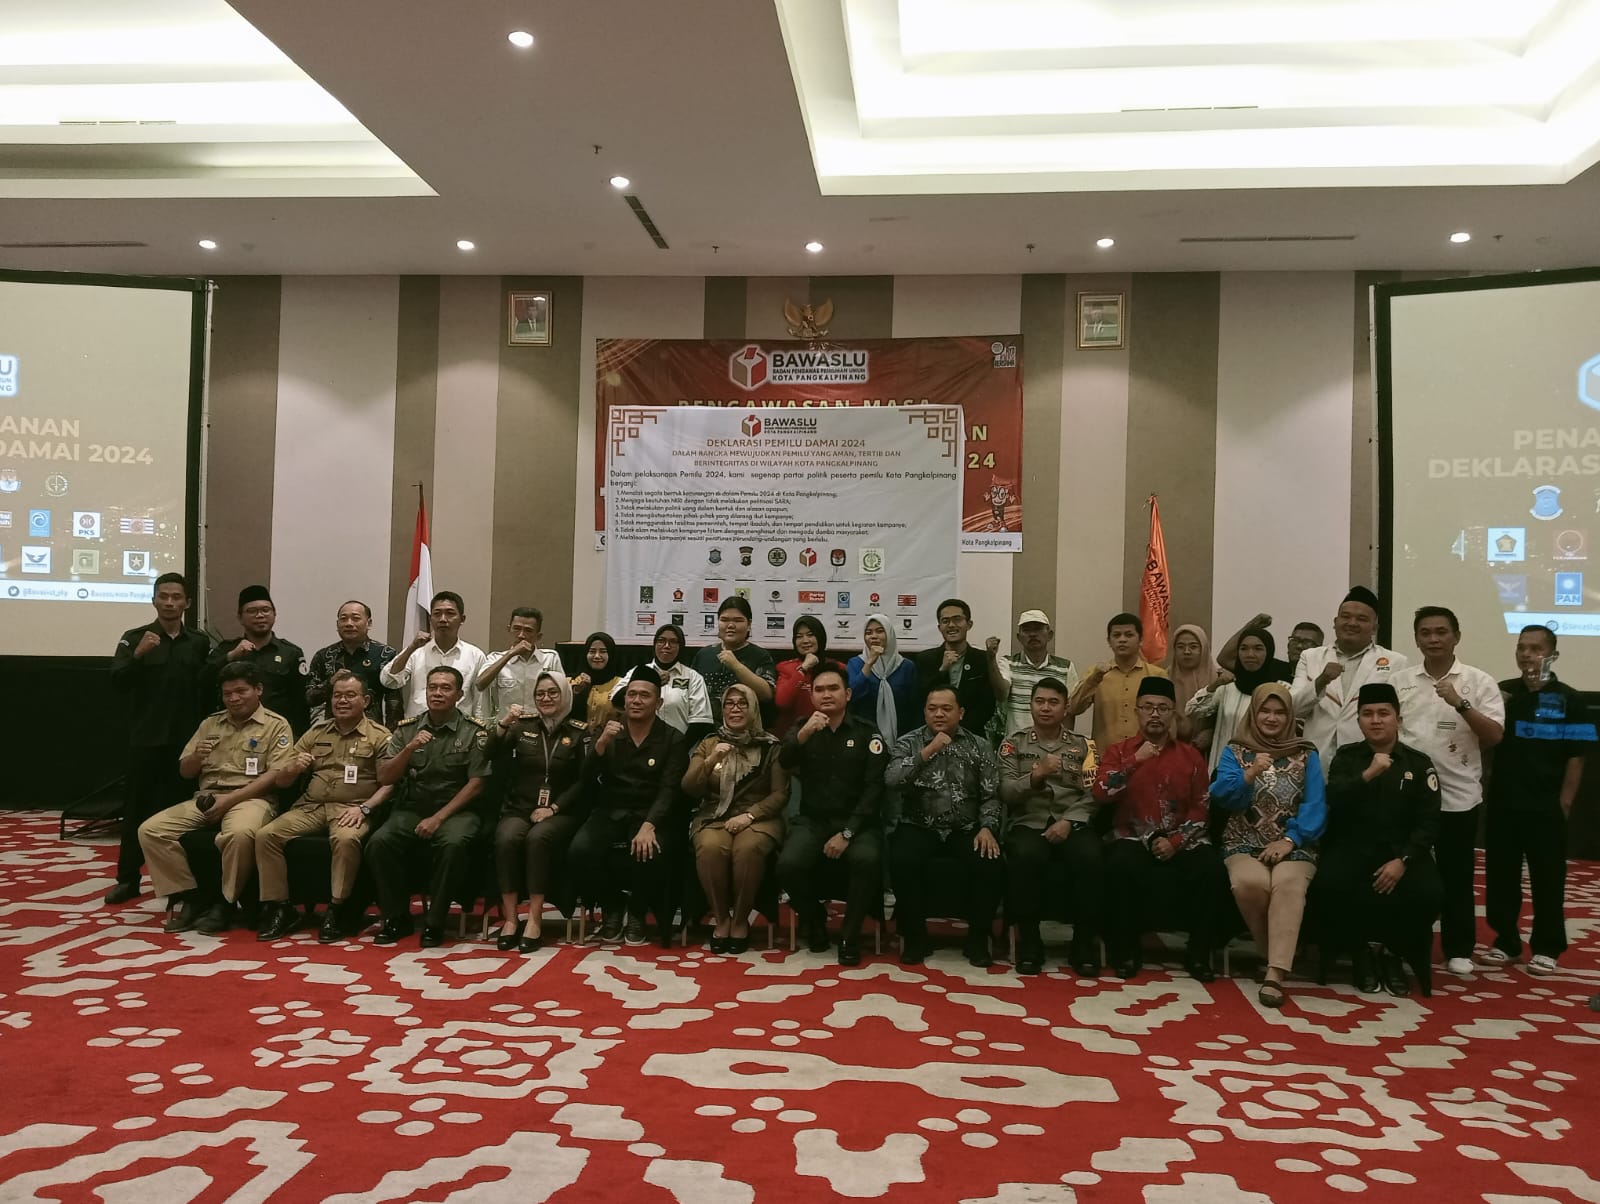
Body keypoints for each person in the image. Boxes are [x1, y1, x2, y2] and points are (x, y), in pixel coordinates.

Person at [137, 663, 295, 934]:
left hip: (251, 798)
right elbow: (186, 771)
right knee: (151, 830)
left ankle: (226, 901)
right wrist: (196, 757)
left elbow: (275, 775)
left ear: (258, 690)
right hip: (206, 797)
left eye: (241, 691)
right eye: (227, 693)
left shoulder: (276, 725)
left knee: (240, 834)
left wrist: (229, 801)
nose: (234, 698)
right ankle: (191, 897)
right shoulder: (210, 723)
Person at [1394, 606, 1504, 977]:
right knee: (1407, 872)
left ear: (1456, 636)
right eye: (1425, 633)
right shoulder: (1401, 681)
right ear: (1416, 639)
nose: (1434, 639)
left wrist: (1460, 703)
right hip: (1409, 798)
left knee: (1456, 875)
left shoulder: (1479, 681)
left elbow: (1494, 735)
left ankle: (1459, 948)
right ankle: (1405, 944)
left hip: (1457, 795)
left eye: (1441, 632)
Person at [1315, 681, 1442, 996]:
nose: (1375, 720)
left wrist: (1403, 861)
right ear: (1358, 720)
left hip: (1402, 852)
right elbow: (1333, 798)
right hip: (1353, 848)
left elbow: (1429, 821)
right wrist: (1368, 774)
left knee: (1429, 893)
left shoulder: (1418, 763)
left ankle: (1393, 954)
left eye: (1383, 713)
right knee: (1329, 885)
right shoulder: (1347, 757)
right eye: (1367, 714)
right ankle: (1359, 951)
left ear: (1398, 718)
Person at [1480, 624, 1594, 976]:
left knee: (1548, 878)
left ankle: (1547, 947)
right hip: (1504, 802)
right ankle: (1506, 942)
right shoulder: (1503, 693)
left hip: (1546, 805)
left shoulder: (1570, 699)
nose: (1527, 654)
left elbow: (1577, 756)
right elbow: (1486, 742)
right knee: (1501, 876)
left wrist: (1565, 803)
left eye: (1535, 648)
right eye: (1521, 647)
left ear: (1552, 655)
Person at [1092, 677, 1221, 981]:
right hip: (1132, 835)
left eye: (1163, 708)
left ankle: (1199, 955)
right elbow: (1100, 793)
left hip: (1181, 837)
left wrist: (1176, 841)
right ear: (1136, 711)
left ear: (1173, 713)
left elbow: (1202, 806)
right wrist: (1135, 761)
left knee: (1212, 869)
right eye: (1148, 707)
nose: (1154, 714)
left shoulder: (1191, 756)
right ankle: (1125, 953)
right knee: (1120, 866)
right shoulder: (1119, 751)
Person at [1210, 683, 1326, 1008]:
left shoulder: (1306, 753)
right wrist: (1249, 775)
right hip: (1243, 841)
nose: (1272, 718)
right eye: (1265, 711)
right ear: (1254, 713)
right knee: (1249, 883)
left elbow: (1316, 804)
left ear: (1290, 717)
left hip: (1295, 843)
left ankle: (1274, 972)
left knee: (1287, 884)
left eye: (1280, 712)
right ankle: (1274, 951)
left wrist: (1291, 840)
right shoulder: (1236, 751)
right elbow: (1222, 796)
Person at [255, 671, 393, 942]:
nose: (342, 701)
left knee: (346, 839)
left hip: (352, 808)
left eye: (350, 695)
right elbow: (282, 781)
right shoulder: (317, 732)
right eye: (337, 695)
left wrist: (365, 809)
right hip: (312, 806)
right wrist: (293, 768)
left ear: (365, 701)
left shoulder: (379, 736)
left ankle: (337, 909)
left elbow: (389, 784)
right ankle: (281, 907)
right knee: (266, 835)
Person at [105, 572, 213, 904]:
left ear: (187, 603)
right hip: (147, 739)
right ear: (153, 600)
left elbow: (207, 686)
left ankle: (185, 884)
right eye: (163, 596)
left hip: (186, 743)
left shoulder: (199, 642)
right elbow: (117, 681)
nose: (169, 602)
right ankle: (128, 879)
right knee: (136, 810)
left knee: (184, 813)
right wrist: (138, 655)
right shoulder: (134, 637)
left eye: (176, 597)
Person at [368, 666, 492, 947]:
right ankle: (396, 917)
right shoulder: (407, 729)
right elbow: (386, 777)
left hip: (457, 811)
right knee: (379, 842)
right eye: (433, 687)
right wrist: (408, 749)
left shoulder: (474, 731)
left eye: (446, 688)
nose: (437, 693)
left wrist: (438, 818)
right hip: (413, 808)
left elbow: (476, 784)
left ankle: (435, 922)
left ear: (459, 695)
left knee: (453, 844)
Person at [777, 661, 888, 965]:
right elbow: (784, 761)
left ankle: (850, 935)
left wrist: (847, 833)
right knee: (787, 865)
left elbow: (874, 789)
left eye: (833, 689)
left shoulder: (867, 732)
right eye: (819, 690)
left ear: (847, 694)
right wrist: (804, 734)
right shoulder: (803, 727)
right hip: (813, 820)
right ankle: (814, 918)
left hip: (858, 823)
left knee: (868, 860)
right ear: (812, 695)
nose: (826, 695)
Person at [884, 685, 1004, 966]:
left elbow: (991, 795)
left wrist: (987, 827)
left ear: (960, 713)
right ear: (924, 712)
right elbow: (891, 780)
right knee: (901, 858)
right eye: (932, 708)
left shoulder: (979, 745)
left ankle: (977, 939)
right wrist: (929, 750)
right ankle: (915, 937)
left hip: (966, 827)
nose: (939, 714)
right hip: (918, 824)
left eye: (946, 709)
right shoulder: (908, 742)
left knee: (990, 862)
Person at [570, 666, 688, 946]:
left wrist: (650, 825)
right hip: (610, 810)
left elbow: (669, 789)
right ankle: (612, 905)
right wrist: (601, 745)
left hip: (650, 813)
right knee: (580, 851)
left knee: (651, 851)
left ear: (658, 702)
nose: (636, 700)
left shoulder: (672, 738)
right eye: (631, 695)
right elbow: (585, 778)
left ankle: (638, 910)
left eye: (644, 695)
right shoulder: (608, 732)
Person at [999, 677, 1103, 976]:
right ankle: (1030, 943)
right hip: (1028, 821)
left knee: (1091, 858)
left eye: (1053, 702)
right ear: (1031, 706)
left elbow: (1094, 793)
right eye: (1040, 701)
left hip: (1073, 822)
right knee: (1024, 857)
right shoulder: (1013, 744)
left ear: (1066, 707)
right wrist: (1036, 776)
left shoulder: (1084, 746)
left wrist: (1069, 821)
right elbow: (1006, 792)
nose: (1046, 708)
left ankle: (1083, 945)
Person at [488, 670, 589, 953]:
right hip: (520, 807)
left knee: (538, 838)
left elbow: (584, 781)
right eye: (540, 694)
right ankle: (511, 919)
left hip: (561, 811)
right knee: (506, 838)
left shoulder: (579, 731)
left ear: (565, 695)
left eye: (552, 692)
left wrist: (554, 808)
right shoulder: (522, 726)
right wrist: (503, 724)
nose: (546, 698)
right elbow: (491, 754)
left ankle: (534, 918)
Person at [683, 682, 788, 953]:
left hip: (758, 816)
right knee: (710, 848)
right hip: (714, 814)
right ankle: (722, 920)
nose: (735, 709)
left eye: (743, 703)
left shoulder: (770, 746)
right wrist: (710, 761)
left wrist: (750, 815)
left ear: (754, 709)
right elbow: (689, 787)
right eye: (729, 704)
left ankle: (740, 920)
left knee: (748, 849)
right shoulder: (709, 743)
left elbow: (780, 794)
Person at [1291, 587, 1408, 774]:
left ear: (1374, 628)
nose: (1352, 623)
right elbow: (1293, 708)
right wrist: (1321, 681)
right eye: (1345, 617)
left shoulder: (1395, 662)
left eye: (1362, 619)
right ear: (1335, 622)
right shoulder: (1310, 657)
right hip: (1316, 760)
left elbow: (1400, 719)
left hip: (1369, 763)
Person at [206, 585, 310, 736]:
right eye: (252, 611)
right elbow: (203, 679)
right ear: (240, 617)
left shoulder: (291, 652)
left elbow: (300, 702)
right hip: (233, 732)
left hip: (277, 733)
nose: (260, 615)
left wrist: (298, 738)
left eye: (265, 610)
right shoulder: (226, 649)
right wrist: (231, 656)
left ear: (274, 614)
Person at [1185, 627, 1291, 773]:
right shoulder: (1226, 688)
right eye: (1244, 649)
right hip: (1224, 770)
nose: (1250, 654)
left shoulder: (1281, 690)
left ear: (1269, 652)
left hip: (1264, 773)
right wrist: (1214, 685)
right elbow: (1191, 710)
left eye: (1258, 649)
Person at [379, 591, 487, 720]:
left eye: (450, 613)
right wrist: (411, 647)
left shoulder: (475, 655)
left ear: (462, 619)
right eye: (437, 614)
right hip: (419, 725)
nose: (443, 619)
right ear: (430, 619)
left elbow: (480, 702)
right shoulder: (416, 652)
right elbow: (388, 681)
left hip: (460, 728)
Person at [1068, 612, 1170, 748]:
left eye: (1129, 635)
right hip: (1106, 755)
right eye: (1116, 635)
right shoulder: (1096, 674)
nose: (1122, 640)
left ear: (1141, 640)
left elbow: (1168, 719)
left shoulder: (1157, 675)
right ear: (1109, 641)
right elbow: (1073, 708)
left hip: (1147, 754)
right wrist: (1094, 679)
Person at [912, 598, 1001, 738]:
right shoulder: (925, 659)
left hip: (971, 735)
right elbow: (920, 699)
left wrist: (959, 732)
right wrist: (942, 670)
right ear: (939, 627)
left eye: (957, 619)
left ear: (969, 624)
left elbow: (987, 704)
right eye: (945, 621)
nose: (951, 625)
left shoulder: (982, 659)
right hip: (932, 735)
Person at [305, 600, 398, 727]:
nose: (349, 623)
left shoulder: (385, 654)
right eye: (343, 619)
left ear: (369, 623)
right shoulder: (324, 656)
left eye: (355, 618)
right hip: (332, 730)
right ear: (337, 624)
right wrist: (330, 683)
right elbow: (309, 699)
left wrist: (392, 734)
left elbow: (394, 702)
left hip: (372, 732)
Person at [609, 623, 713, 738]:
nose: (667, 646)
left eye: (673, 641)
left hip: (679, 745)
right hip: (639, 745)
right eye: (661, 641)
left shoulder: (693, 677)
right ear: (654, 644)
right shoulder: (639, 671)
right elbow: (616, 701)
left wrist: (679, 745)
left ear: (681, 646)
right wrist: (651, 681)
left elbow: (700, 722)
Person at [994, 609, 1080, 742]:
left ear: (1050, 635)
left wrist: (1065, 744)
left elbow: (1070, 710)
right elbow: (1001, 694)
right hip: (1017, 744)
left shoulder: (1066, 667)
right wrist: (991, 659)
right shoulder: (1008, 663)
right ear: (1019, 637)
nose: (1033, 634)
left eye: (1038, 629)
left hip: (1054, 745)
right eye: (1027, 630)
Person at [691, 597, 777, 726]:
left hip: (746, 732)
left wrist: (736, 665)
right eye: (724, 620)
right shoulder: (704, 654)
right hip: (707, 730)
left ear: (749, 624)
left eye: (738, 620)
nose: (730, 625)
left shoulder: (760, 655)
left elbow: (767, 694)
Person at [475, 607, 565, 726]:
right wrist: (510, 654)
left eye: (528, 630)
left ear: (538, 636)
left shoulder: (550, 658)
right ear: (509, 629)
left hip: (542, 727)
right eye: (516, 629)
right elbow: (480, 684)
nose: (521, 635)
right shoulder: (495, 658)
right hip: (507, 727)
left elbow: (563, 696)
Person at [847, 613, 918, 744]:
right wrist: (869, 663)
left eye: (880, 631)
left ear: (889, 634)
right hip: (863, 735)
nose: (873, 636)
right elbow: (852, 696)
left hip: (902, 735)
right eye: (868, 633)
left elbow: (913, 706)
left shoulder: (906, 666)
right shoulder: (855, 663)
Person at [773, 615, 827, 737]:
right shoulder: (785, 668)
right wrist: (803, 668)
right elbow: (782, 702)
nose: (805, 640)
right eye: (799, 636)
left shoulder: (837, 668)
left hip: (827, 735)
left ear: (820, 637)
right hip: (792, 737)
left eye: (810, 635)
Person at [571, 631, 624, 729]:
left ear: (611, 654)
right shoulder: (573, 682)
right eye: (592, 651)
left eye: (603, 651)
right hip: (575, 737)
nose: (597, 656)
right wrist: (581, 690)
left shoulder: (621, 685)